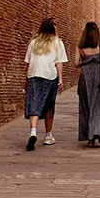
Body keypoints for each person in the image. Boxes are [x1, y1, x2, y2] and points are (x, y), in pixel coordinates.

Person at [24, 17, 68, 151]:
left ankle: (33, 132)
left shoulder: (33, 43)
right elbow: (59, 63)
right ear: (53, 28)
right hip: (49, 76)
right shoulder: (58, 43)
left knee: (34, 103)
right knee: (49, 105)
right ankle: (48, 136)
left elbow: (27, 63)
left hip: (34, 75)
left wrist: (26, 79)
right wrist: (60, 79)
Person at [74, 22, 100, 147]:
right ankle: (99, 133)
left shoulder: (80, 46)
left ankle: (90, 138)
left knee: (86, 106)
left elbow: (76, 63)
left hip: (85, 79)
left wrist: (86, 63)